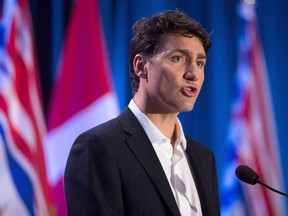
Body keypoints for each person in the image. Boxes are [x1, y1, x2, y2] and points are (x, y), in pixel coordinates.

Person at [64, 9, 220, 216]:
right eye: (178, 58)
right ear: (141, 66)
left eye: (200, 63)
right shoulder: (98, 148)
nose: (193, 74)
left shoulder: (203, 157)